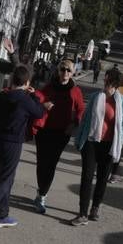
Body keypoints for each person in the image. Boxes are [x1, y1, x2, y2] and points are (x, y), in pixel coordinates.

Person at [0, 65, 51, 233]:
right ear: (27, 82)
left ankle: (2, 215)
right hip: (13, 143)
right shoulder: (25, 99)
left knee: (6, 177)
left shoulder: (2, 96)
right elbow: (38, 113)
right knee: (5, 179)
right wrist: (36, 97)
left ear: (12, 79)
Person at [69, 68, 123, 226]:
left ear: (115, 83)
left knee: (103, 178)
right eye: (105, 80)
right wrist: (78, 139)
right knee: (87, 177)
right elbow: (85, 119)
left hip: (109, 145)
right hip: (91, 142)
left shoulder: (121, 101)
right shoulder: (96, 97)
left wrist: (120, 140)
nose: (106, 83)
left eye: (109, 81)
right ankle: (82, 213)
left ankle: (95, 208)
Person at [31, 58, 85, 214]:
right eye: (63, 69)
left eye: (68, 70)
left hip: (62, 133)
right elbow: (38, 96)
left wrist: (74, 123)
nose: (65, 73)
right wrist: (43, 103)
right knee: (41, 163)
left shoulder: (75, 91)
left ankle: (42, 195)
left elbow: (81, 109)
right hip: (44, 131)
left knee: (51, 164)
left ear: (73, 72)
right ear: (58, 70)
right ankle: (41, 189)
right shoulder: (50, 86)